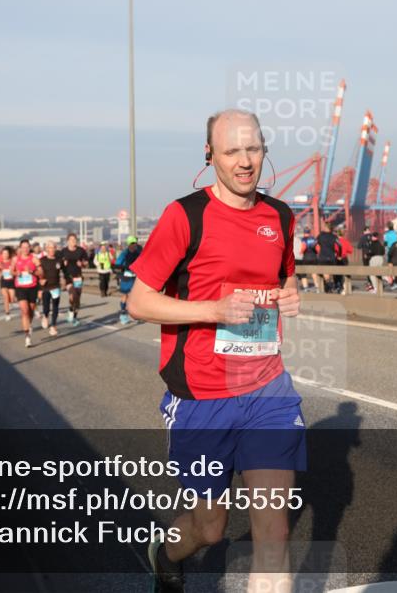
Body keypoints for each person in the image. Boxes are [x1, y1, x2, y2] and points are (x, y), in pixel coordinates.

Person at [126, 109, 304, 593]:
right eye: (232, 151)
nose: (245, 162)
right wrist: (215, 311)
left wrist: (290, 292)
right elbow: (138, 301)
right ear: (210, 155)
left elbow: (284, 274)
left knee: (274, 531)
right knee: (210, 528)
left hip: (268, 388)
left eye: (254, 149)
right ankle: (166, 554)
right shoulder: (185, 215)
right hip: (201, 393)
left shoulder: (280, 216)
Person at [10, 239, 42, 347]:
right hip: (20, 288)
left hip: (32, 287)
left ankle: (29, 325)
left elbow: (41, 272)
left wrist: (32, 271)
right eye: (23, 247)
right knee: (24, 311)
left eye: (27, 247)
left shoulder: (34, 259)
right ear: (20, 248)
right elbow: (11, 271)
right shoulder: (15, 259)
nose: (25, 249)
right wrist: (16, 273)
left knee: (31, 312)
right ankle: (27, 336)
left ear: (30, 248)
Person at [59, 233, 88, 325]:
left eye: (75, 240)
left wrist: (82, 264)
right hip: (68, 277)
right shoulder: (63, 251)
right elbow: (58, 264)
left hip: (78, 277)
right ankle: (71, 309)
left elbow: (86, 262)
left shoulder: (81, 251)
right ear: (67, 241)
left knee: (77, 298)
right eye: (71, 240)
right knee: (72, 295)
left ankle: (74, 316)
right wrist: (63, 264)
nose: (73, 241)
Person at [115, 236, 143, 325]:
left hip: (135, 276)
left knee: (134, 295)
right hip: (126, 277)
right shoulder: (124, 253)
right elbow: (117, 264)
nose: (134, 245)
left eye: (135, 243)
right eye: (132, 243)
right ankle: (123, 313)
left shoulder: (138, 253)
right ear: (129, 244)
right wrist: (125, 267)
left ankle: (134, 313)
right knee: (125, 295)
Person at [39, 241, 63, 336]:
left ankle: (53, 326)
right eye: (50, 247)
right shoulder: (42, 260)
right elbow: (37, 273)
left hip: (55, 286)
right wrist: (40, 280)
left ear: (55, 248)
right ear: (46, 249)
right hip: (45, 287)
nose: (51, 249)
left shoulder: (59, 260)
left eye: (53, 247)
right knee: (46, 306)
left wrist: (65, 279)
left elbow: (64, 270)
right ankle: (45, 316)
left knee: (55, 306)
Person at [315, 222, 341, 293]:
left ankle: (328, 286)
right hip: (331, 256)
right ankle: (332, 285)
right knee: (330, 272)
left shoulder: (320, 236)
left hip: (322, 256)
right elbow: (339, 245)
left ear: (325, 228)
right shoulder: (334, 236)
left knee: (325, 272)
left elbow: (314, 244)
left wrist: (316, 252)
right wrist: (339, 254)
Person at [0, 246, 16, 322]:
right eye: (3, 253)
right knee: (5, 297)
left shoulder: (12, 261)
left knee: (11, 298)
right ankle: (7, 313)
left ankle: (11, 303)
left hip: (11, 281)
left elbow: (16, 270)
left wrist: (13, 272)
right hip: (4, 281)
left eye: (6, 253)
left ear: (9, 254)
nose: (5, 255)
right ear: (2, 255)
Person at [335, 227, 354, 294]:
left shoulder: (335, 241)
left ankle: (339, 287)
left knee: (337, 274)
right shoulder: (345, 241)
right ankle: (346, 287)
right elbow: (351, 250)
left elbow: (335, 250)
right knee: (345, 273)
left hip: (337, 258)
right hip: (344, 258)